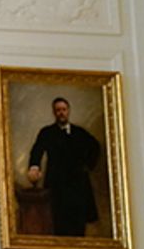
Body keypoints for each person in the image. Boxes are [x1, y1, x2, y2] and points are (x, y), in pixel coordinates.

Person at [26, 97, 100, 237]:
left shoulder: (79, 133)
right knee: (58, 221)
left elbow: (95, 147)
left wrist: (88, 165)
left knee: (78, 224)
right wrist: (34, 167)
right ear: (54, 113)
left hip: (78, 185)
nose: (61, 113)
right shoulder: (47, 132)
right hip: (57, 184)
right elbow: (37, 150)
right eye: (58, 110)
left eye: (64, 110)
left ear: (68, 111)